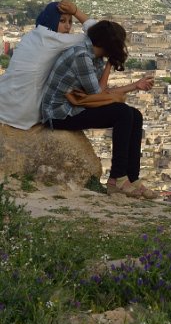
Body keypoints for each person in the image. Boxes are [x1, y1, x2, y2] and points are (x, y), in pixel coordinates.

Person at [41, 20, 157, 199]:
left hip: (74, 107)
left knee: (135, 114)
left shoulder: (93, 56)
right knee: (123, 113)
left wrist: (135, 85)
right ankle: (117, 178)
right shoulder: (82, 56)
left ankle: (131, 179)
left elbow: (101, 92)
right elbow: (98, 93)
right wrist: (112, 66)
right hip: (59, 114)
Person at [0, 0, 95, 129]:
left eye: (70, 21)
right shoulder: (55, 39)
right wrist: (76, 11)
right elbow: (98, 35)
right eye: (62, 21)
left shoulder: (30, 35)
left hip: (3, 102)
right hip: (24, 113)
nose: (68, 26)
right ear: (52, 19)